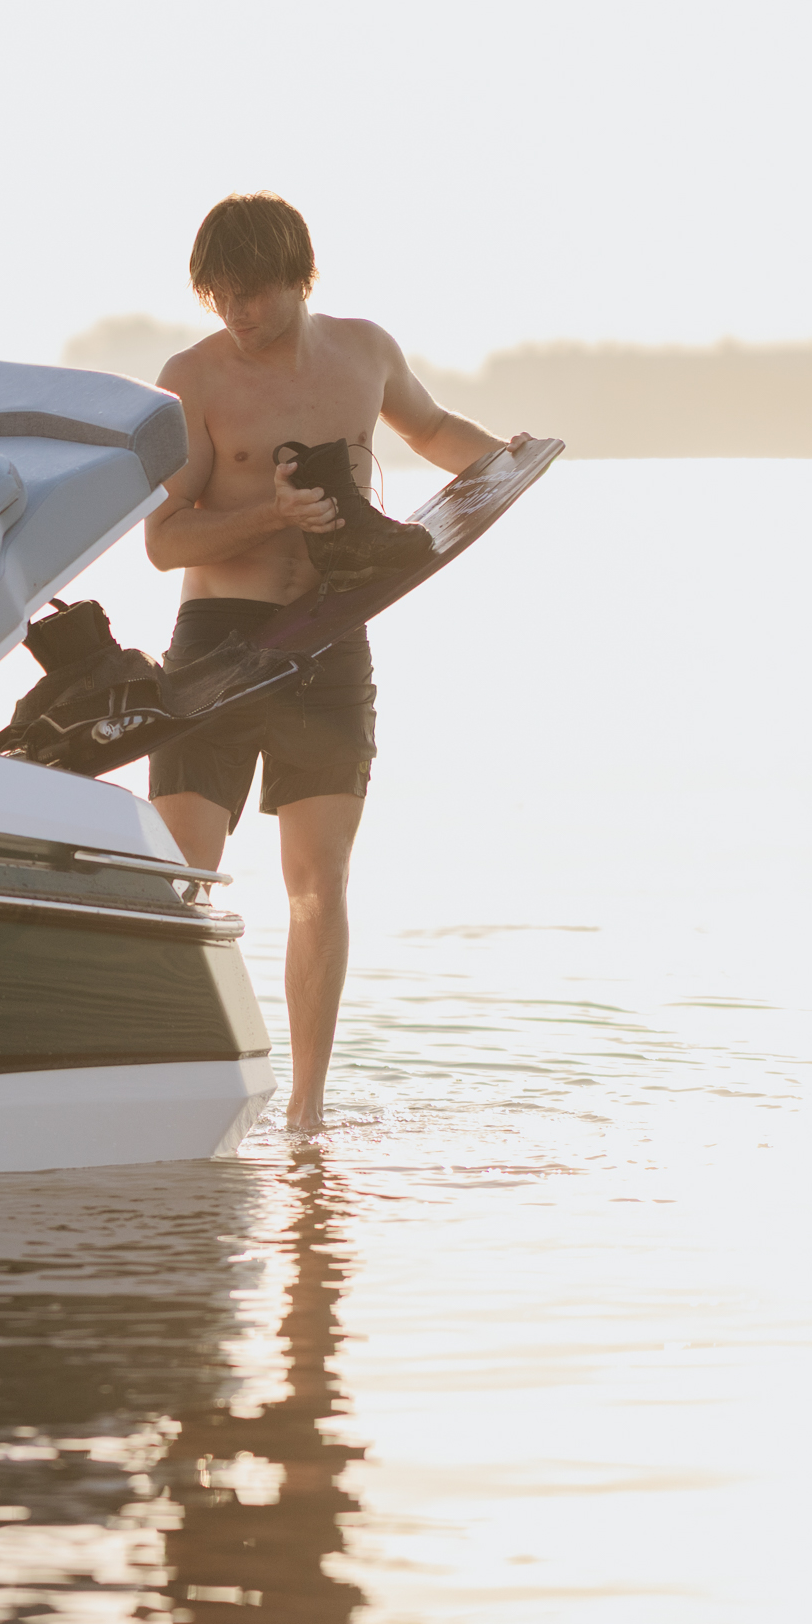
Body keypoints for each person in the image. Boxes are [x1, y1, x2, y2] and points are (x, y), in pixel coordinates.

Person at [145, 193, 529, 1137]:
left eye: (255, 294)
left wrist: (512, 462)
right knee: (184, 874)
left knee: (319, 881)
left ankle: (306, 1116)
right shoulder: (190, 377)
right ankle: (177, 1081)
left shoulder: (365, 354)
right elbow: (163, 539)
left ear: (300, 275)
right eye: (221, 297)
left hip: (331, 634)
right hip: (218, 640)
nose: (238, 315)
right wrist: (273, 513)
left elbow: (433, 432)